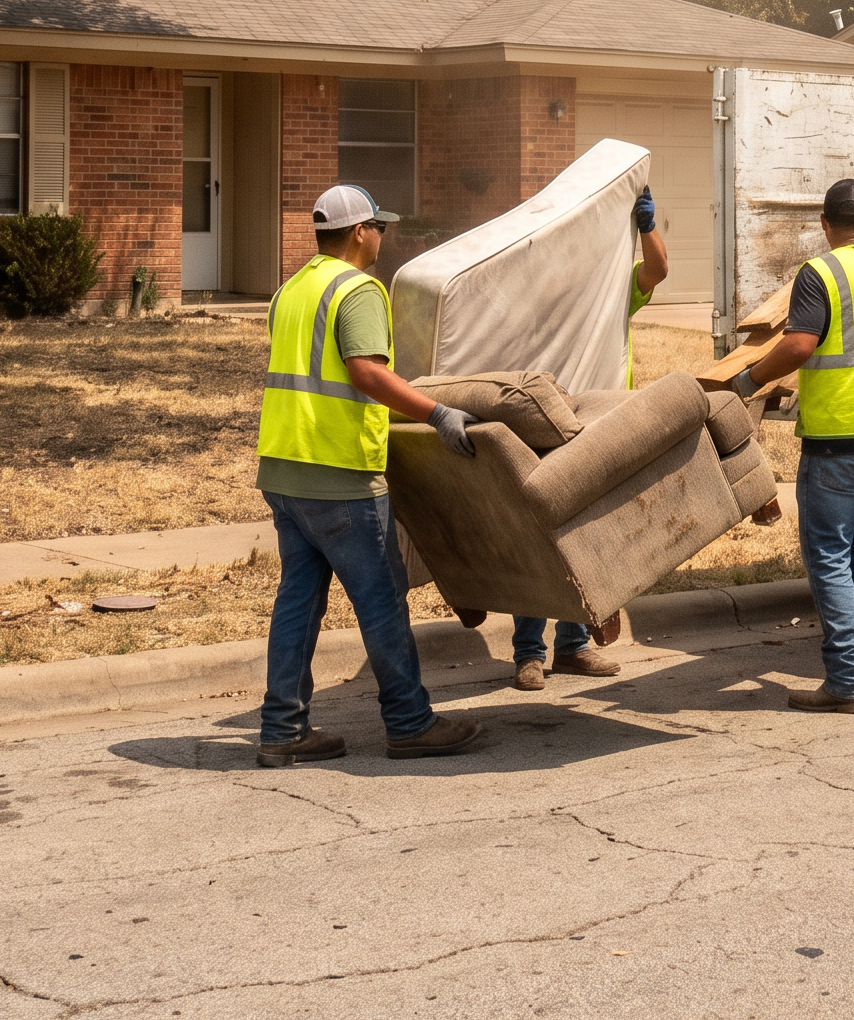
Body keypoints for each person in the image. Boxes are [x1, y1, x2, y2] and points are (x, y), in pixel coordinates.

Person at [255, 185, 487, 767]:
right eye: (378, 226)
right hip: (340, 475)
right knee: (380, 600)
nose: (383, 234)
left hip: (285, 468)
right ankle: (409, 724)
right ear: (359, 232)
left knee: (298, 602)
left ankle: (282, 731)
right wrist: (436, 412)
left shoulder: (291, 289)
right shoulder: (357, 290)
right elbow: (363, 372)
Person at [728, 178, 854, 714]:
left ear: (824, 223)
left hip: (837, 440)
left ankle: (845, 682)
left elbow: (799, 343)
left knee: (831, 558)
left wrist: (749, 381)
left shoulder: (820, 272)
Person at [509, 185, 669, 691]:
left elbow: (658, 270)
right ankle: (528, 653)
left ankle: (573, 648)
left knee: (586, 535)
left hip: (595, 425)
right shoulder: (529, 304)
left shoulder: (609, 297)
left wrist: (646, 226)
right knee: (538, 537)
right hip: (539, 425)